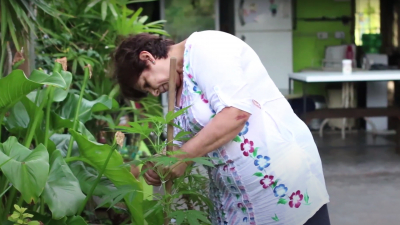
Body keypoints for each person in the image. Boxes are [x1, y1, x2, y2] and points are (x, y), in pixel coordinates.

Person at [113, 30, 331, 225]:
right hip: (235, 200)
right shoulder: (178, 89)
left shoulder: (205, 47)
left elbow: (235, 113)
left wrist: (182, 157)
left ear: (147, 57)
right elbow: (182, 143)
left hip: (281, 181)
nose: (153, 92)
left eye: (146, 84)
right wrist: (159, 162)